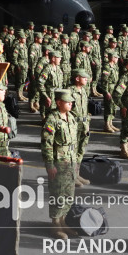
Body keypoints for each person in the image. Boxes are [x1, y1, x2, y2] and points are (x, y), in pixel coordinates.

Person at [41, 90, 79, 240]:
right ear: (58, 102)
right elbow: (47, 144)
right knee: (58, 193)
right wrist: (49, 165)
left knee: (68, 193)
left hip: (70, 161)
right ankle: (55, 224)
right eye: (67, 101)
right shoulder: (52, 120)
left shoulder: (71, 118)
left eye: (71, 101)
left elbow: (74, 143)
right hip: (59, 162)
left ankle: (63, 221)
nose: (71, 103)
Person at [67, 70, 90, 186]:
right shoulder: (70, 91)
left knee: (81, 150)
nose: (86, 79)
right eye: (84, 77)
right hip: (74, 125)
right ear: (77, 78)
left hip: (83, 125)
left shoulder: (83, 91)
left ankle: (77, 174)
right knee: (73, 151)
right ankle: (72, 176)